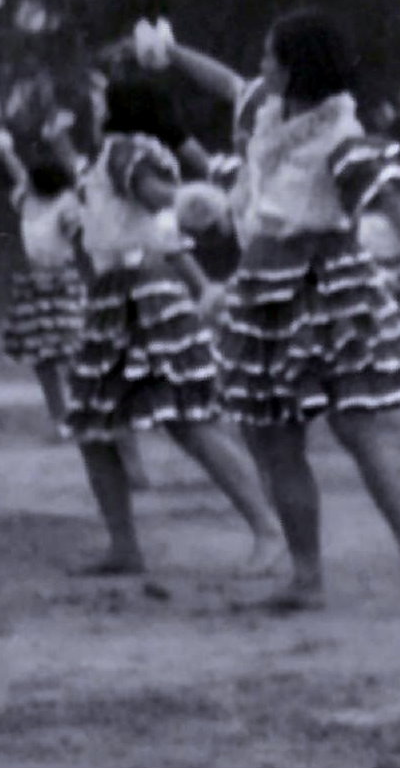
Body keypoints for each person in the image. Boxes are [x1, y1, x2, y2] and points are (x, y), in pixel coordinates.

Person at [141, 10, 400, 609]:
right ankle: (307, 576)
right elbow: (227, 82)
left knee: (357, 427)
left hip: (326, 285)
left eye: (269, 55)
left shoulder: (340, 135)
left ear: (294, 67)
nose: (260, 64)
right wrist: (173, 53)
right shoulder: (265, 109)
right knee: (273, 436)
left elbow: (387, 194)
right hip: (261, 288)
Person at [62, 75, 286, 576]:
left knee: (182, 420)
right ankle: (125, 545)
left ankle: (268, 529)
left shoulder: (125, 152)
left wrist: (195, 201)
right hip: (117, 292)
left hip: (139, 292)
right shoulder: (116, 155)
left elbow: (156, 196)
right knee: (101, 426)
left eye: (101, 99)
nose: (94, 106)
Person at [0, 123, 88, 442]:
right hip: (35, 286)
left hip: (62, 283)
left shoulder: (68, 204)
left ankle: (85, 416)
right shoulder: (28, 200)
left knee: (70, 353)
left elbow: (76, 225)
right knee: (43, 360)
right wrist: (5, 150)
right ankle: (61, 421)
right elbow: (17, 173)